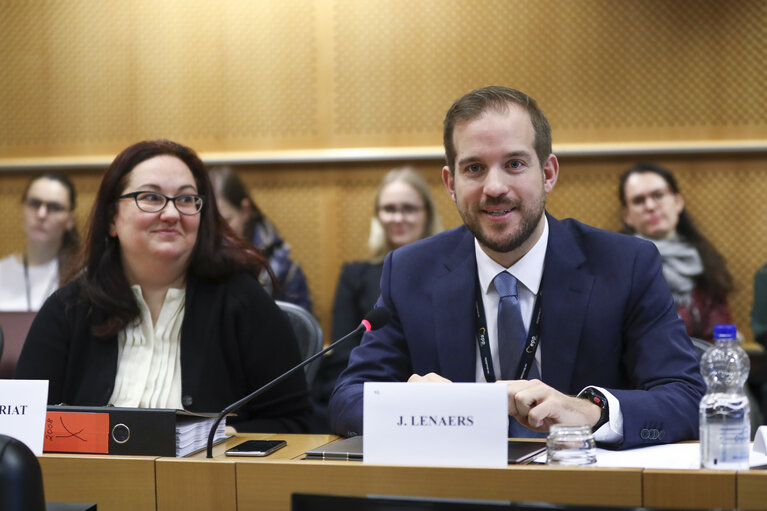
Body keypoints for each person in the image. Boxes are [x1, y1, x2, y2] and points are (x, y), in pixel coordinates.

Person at [329, 86, 705, 449]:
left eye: (514, 164)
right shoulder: (411, 270)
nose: (494, 187)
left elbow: (686, 398)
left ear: (548, 173)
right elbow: (347, 400)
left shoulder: (625, 265)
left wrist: (590, 411)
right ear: (450, 183)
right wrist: (425, 407)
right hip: (456, 493)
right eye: (474, 168)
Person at [16, 140, 311, 432]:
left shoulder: (244, 303)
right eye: (151, 198)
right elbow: (21, 426)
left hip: (208, 479)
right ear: (111, 220)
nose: (171, 214)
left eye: (185, 200)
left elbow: (296, 423)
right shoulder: (69, 309)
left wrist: (228, 442)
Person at [311, 166, 443, 431]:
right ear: (378, 216)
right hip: (376, 406)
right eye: (389, 209)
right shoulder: (354, 275)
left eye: (409, 208)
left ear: (426, 213)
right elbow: (343, 354)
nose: (398, 217)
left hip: (439, 404)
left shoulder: (449, 273)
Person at [619, 162, 734, 341]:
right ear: (627, 215)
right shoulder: (617, 264)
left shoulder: (704, 261)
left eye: (658, 195)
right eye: (638, 201)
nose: (650, 206)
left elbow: (720, 334)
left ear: (678, 202)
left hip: (698, 363)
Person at [208, 166, 313, 312]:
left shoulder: (285, 269)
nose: (218, 231)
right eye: (210, 223)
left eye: (227, 221)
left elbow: (300, 330)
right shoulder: (194, 262)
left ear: (245, 210)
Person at [0, 173, 79, 311]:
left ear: (71, 220)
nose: (41, 214)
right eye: (34, 204)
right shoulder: (2, 271)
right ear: (22, 208)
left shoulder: (81, 276)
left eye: (54, 207)